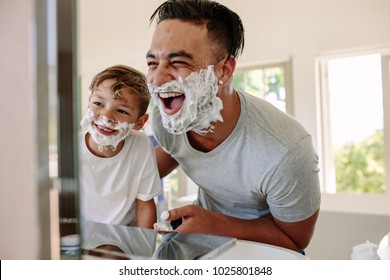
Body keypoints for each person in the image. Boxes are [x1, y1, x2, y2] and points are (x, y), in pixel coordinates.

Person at [146, 0, 321, 252]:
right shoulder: (168, 118)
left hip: (265, 252)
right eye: (153, 63)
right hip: (201, 239)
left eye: (179, 63)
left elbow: (295, 240)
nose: (158, 79)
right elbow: (175, 150)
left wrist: (215, 225)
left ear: (224, 70)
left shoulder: (286, 151)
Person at [79, 65, 161, 228]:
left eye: (122, 111)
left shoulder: (141, 146)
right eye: (98, 103)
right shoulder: (72, 147)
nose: (107, 116)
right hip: (83, 235)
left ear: (139, 122)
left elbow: (145, 204)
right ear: (89, 103)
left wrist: (143, 249)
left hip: (124, 237)